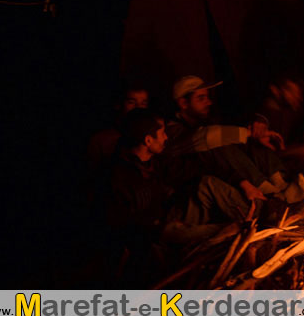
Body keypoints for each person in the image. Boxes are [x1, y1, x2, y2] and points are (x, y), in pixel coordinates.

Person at [105, 108, 252, 252]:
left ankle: (253, 217)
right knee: (225, 229)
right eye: (162, 133)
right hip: (155, 235)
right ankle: (243, 229)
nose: (166, 138)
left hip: (171, 217)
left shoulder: (156, 161)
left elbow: (198, 169)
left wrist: (242, 182)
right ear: (148, 140)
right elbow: (126, 228)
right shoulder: (118, 177)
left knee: (206, 183)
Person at [166, 76, 304, 209]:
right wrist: (249, 133)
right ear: (183, 103)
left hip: (228, 175)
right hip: (196, 185)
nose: (209, 102)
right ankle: (273, 194)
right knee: (223, 142)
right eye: (201, 98)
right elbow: (208, 137)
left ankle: (282, 183)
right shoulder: (172, 132)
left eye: (207, 97)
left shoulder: (204, 121)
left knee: (249, 140)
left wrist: (253, 136)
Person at [87, 84, 150, 173]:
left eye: (143, 103)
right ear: (119, 104)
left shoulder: (152, 137)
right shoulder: (102, 140)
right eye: (131, 102)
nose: (138, 108)